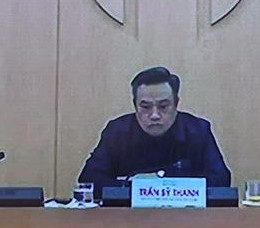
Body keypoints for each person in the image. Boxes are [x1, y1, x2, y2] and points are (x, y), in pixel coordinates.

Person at [77, 66, 233, 191]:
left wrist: (160, 178)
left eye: (163, 106)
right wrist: (134, 186)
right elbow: (89, 179)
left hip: (185, 216)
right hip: (128, 217)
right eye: (145, 107)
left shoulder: (198, 131)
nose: (154, 115)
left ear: (176, 104)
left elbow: (220, 180)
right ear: (135, 106)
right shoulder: (117, 131)